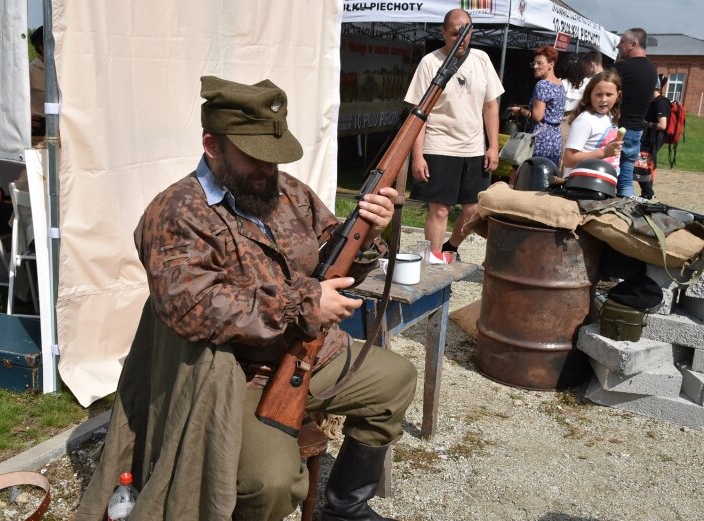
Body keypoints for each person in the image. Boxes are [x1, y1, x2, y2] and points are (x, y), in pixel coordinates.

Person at [75, 76, 416, 521]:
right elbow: (195, 307)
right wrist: (304, 305)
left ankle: (343, 508)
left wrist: (370, 235)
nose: (268, 168)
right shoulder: (175, 212)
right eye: (255, 157)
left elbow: (336, 250)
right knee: (270, 483)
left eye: (274, 158)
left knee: (396, 380)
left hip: (311, 354)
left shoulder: (288, 192)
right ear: (212, 145)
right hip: (233, 377)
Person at [405, 8, 503, 259]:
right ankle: (434, 258)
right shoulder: (430, 62)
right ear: (444, 33)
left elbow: (490, 105)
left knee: (474, 209)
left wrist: (492, 146)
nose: (461, 38)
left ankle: (451, 247)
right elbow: (419, 112)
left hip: (473, 147)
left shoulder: (481, 59)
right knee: (439, 210)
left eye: (466, 32)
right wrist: (418, 155)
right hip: (439, 145)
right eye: (454, 33)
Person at [612, 28, 658, 196]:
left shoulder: (621, 68)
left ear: (633, 44)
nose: (618, 45)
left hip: (618, 129)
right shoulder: (652, 71)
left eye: (622, 41)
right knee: (625, 179)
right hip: (637, 130)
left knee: (607, 176)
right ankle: (626, 211)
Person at [509, 45, 566, 168]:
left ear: (551, 64)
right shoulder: (560, 84)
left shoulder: (542, 85)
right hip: (555, 138)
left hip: (541, 138)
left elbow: (537, 116)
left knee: (532, 176)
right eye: (534, 63)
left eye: (540, 63)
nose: (535, 66)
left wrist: (520, 111)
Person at [561, 70, 624, 177]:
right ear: (589, 95)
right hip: (582, 185)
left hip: (603, 183)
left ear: (618, 95)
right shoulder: (585, 121)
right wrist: (604, 153)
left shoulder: (609, 116)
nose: (603, 100)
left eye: (609, 94)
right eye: (598, 95)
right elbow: (568, 159)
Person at [637, 74, 671, 199]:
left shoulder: (660, 102)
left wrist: (646, 124)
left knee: (643, 165)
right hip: (648, 139)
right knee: (643, 165)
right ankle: (647, 193)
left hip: (652, 140)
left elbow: (663, 125)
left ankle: (648, 194)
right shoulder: (653, 102)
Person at [29, 26, 46, 143]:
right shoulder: (30, 70)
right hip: (38, 133)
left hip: (62, 131)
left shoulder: (65, 69)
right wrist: (23, 120)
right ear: (41, 47)